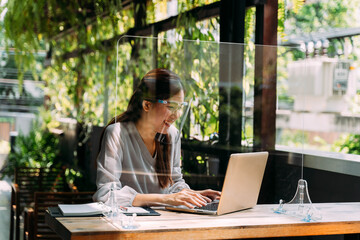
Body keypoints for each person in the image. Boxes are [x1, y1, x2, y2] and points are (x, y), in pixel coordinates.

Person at [93, 68, 221, 208]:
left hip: (163, 221)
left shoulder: (172, 135)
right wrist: (165, 199)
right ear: (147, 105)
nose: (177, 115)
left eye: (180, 107)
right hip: (128, 223)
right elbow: (107, 194)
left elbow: (174, 183)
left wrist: (194, 195)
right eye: (171, 106)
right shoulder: (117, 134)